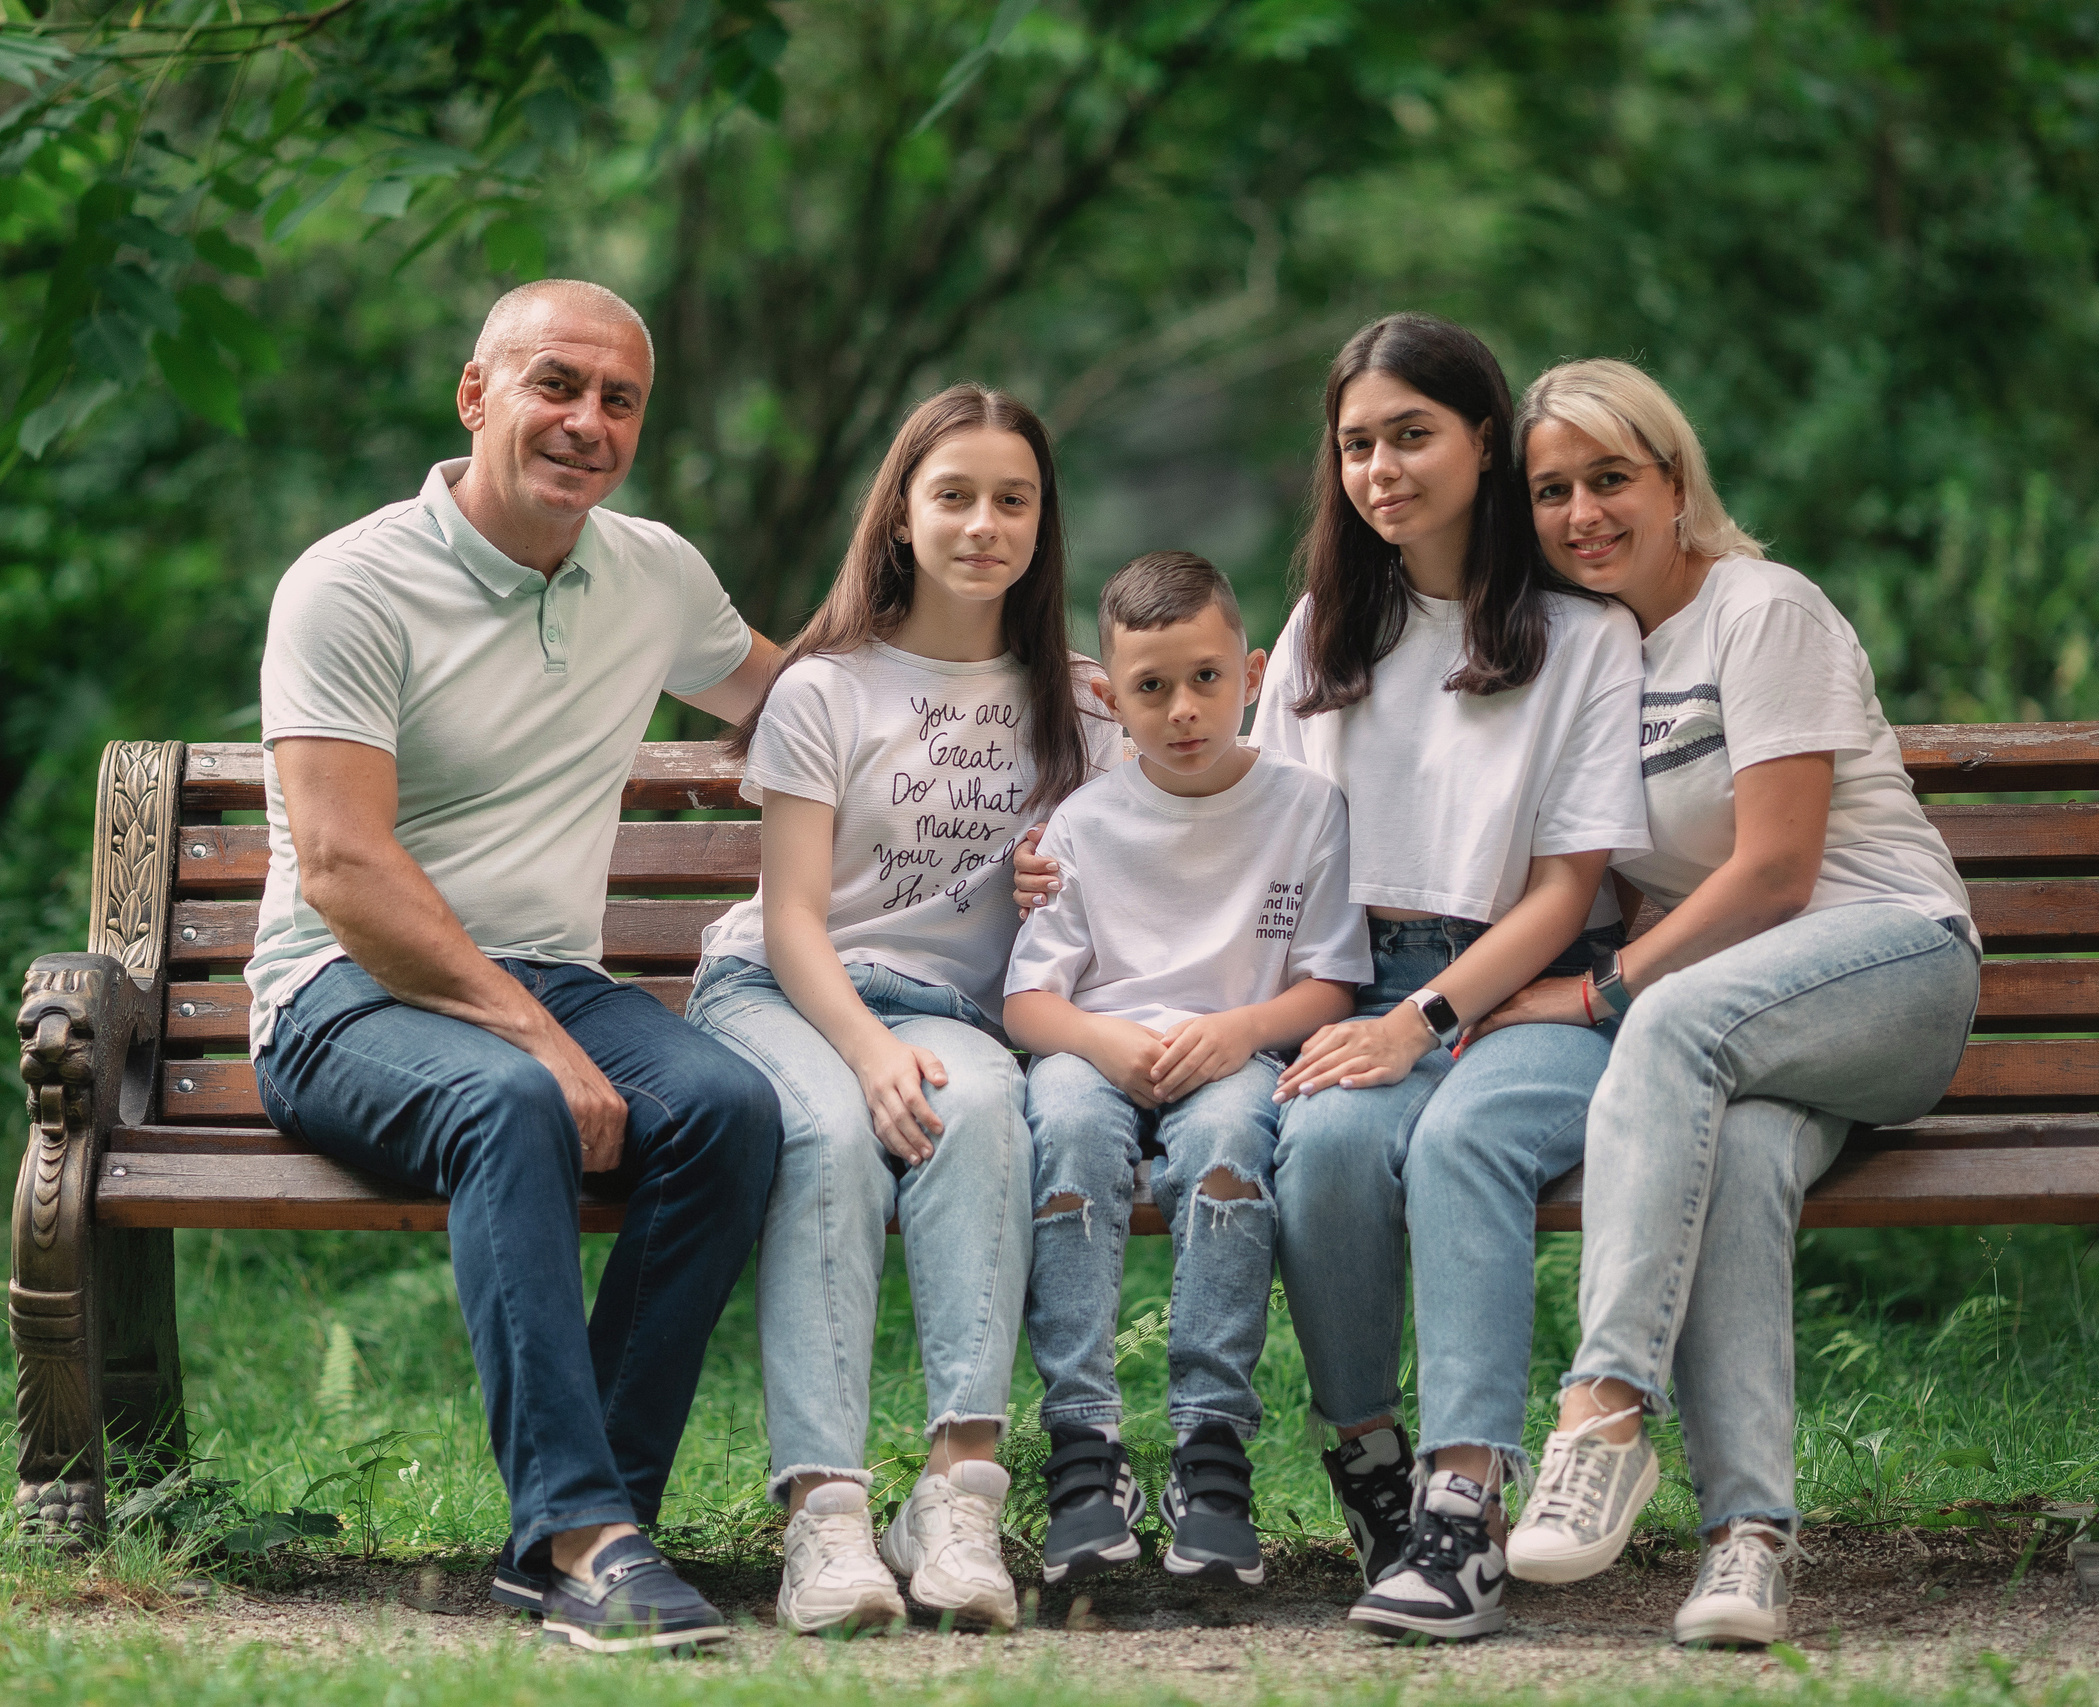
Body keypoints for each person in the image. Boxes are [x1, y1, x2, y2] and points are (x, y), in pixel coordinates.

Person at [245, 280, 786, 1655]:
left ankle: (584, 1532)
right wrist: (536, 1040)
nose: (587, 422)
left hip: (551, 974)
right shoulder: (352, 582)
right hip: (341, 996)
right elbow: (346, 869)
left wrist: (1018, 694)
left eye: (619, 400)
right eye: (557, 384)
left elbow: (800, 701)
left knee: (727, 1112)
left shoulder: (651, 573)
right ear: (476, 393)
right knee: (513, 1100)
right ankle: (588, 1534)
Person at [1493, 359, 1980, 1646]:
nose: (1584, 511)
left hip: (1893, 966)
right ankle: (1746, 1543)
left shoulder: (1760, 611)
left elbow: (1774, 870)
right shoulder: (1592, 652)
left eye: (1611, 479)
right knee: (1744, 1151)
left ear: (1673, 482)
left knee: (1669, 1019)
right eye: (1553, 490)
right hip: (1756, 1031)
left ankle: (1601, 1410)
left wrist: (1596, 988)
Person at [688, 383, 1119, 1636]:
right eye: (954, 496)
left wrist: (1061, 874)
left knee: (982, 1107)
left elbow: (1149, 859)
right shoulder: (827, 688)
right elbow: (789, 919)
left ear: (1042, 524)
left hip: (951, 1016)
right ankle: (823, 1517)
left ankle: (955, 1498)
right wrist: (869, 1052)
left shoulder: (1083, 709)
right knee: (826, 1133)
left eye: (1012, 499)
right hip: (784, 990)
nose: (983, 523)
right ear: (899, 518)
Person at [1253, 313, 1649, 1641]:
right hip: (1352, 979)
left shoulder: (1582, 636)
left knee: (1465, 1136)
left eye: (1411, 434)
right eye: (1357, 443)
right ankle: (1374, 1468)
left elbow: (1563, 886)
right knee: (1323, 1144)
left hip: (1529, 981)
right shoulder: (1323, 628)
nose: (1382, 468)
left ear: (1485, 438)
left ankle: (1463, 1504)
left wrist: (1427, 1017)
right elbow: (1272, 849)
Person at [1005, 551, 1371, 1590]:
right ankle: (1084, 1448)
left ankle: (1210, 1455)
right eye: (1151, 689)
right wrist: (1103, 1043)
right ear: (1111, 699)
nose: (1181, 710)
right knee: (1068, 1131)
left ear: (1251, 673)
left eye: (1205, 678)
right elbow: (1029, 1003)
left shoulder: (1305, 808)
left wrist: (1241, 1031)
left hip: (1237, 1052)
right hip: (1096, 1049)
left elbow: (1331, 985)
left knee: (1227, 1141)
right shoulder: (1084, 821)